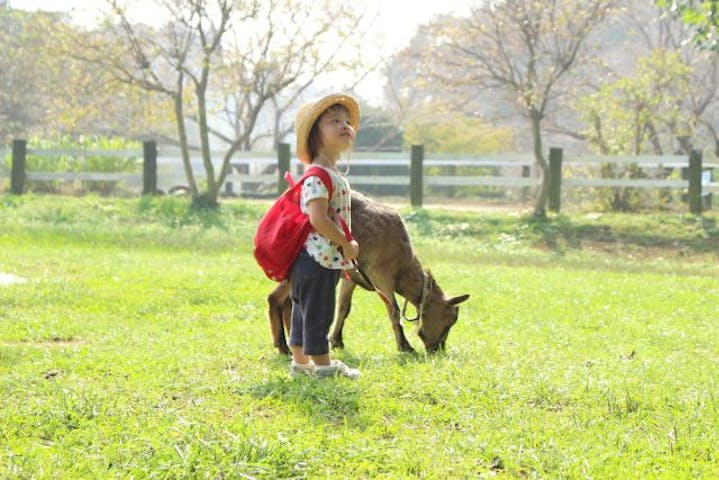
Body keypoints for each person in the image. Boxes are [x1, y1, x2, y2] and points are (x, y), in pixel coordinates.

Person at [289, 93, 361, 379]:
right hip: (317, 258)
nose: (345, 126)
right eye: (334, 121)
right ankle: (323, 367)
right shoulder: (318, 175)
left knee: (303, 311)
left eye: (347, 122)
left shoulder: (329, 172)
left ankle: (301, 364)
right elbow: (317, 219)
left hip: (317, 258)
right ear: (315, 135)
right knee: (318, 313)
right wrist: (347, 242)